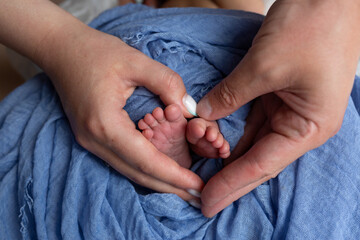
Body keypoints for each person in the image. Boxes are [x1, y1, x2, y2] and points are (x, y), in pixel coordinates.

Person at [1, 0, 359, 220]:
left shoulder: (267, 33)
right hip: (118, 53)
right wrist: (60, 43)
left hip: (238, 72)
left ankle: (189, 153)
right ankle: (191, 152)